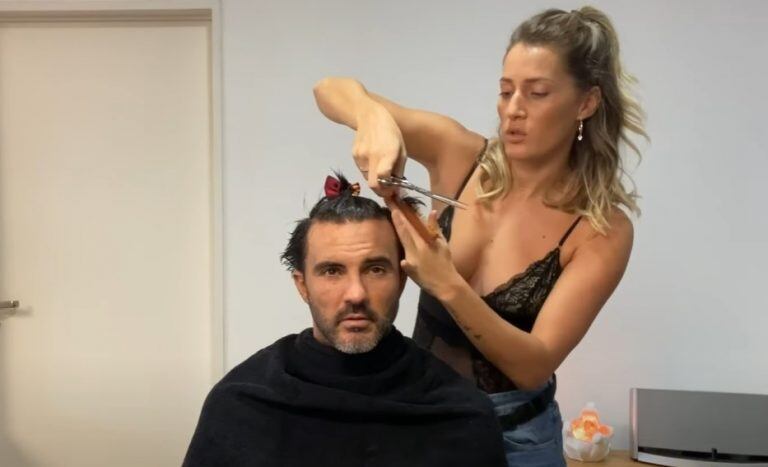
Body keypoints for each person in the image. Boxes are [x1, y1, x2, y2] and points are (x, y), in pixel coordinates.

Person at [313, 6, 647, 466]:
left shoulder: (600, 230)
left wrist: (446, 283)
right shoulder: (458, 155)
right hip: (421, 413)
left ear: (585, 103)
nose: (513, 110)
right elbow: (328, 89)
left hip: (515, 437)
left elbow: (533, 365)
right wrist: (373, 118)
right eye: (506, 91)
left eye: (537, 93)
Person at [182, 174, 507, 467]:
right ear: (302, 285)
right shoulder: (243, 402)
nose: (356, 294)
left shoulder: (459, 411)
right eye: (332, 271)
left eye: (375, 269)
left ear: (402, 280)